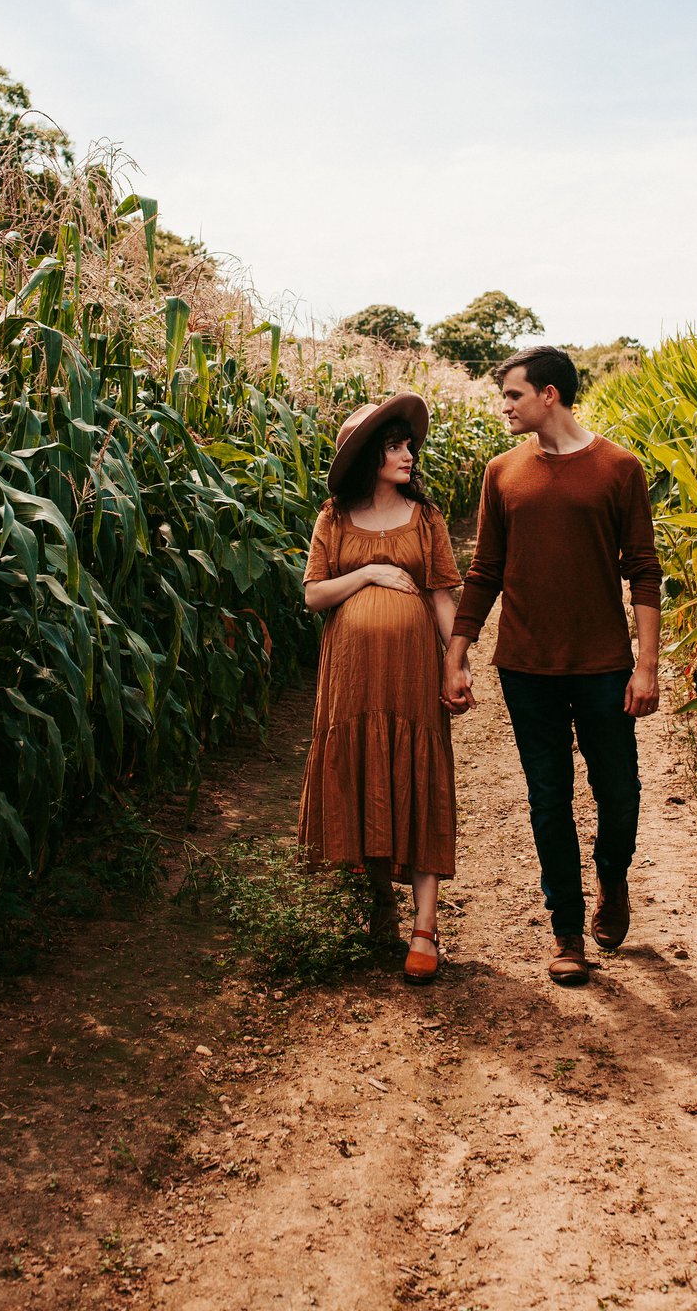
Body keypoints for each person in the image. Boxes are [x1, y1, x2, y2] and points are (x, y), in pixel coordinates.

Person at [442, 346, 662, 987]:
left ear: (549, 395)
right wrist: (457, 654)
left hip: (603, 665)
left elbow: (643, 570)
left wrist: (646, 666)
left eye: (513, 395)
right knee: (549, 797)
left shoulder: (619, 468)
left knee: (619, 792)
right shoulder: (501, 472)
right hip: (526, 665)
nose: (504, 407)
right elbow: (485, 571)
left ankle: (612, 879)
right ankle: (567, 931)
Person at [297, 393, 462, 984]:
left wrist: (456, 664)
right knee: (366, 771)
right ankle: (382, 901)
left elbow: (442, 596)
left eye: (408, 445)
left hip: (412, 672)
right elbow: (313, 594)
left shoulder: (427, 517)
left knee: (418, 775)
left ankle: (426, 927)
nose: (407, 455)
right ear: (371, 455)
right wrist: (368, 572)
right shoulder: (334, 517)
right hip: (352, 675)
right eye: (394, 446)